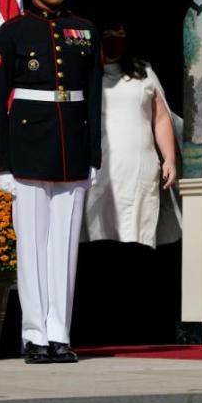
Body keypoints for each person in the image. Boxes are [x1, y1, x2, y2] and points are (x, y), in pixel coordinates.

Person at [0, 0, 102, 364]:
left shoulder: (84, 30)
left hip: (71, 150)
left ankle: (60, 333)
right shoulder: (14, 32)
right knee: (32, 247)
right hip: (27, 150)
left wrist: (93, 155)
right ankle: (34, 334)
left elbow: (92, 99)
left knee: (64, 249)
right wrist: (1, 162)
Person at [80, 21, 178, 247]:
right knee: (99, 236)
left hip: (139, 171)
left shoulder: (144, 73)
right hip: (97, 171)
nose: (113, 37)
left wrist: (169, 158)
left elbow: (161, 118)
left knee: (137, 236)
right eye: (108, 32)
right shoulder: (86, 76)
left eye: (119, 32)